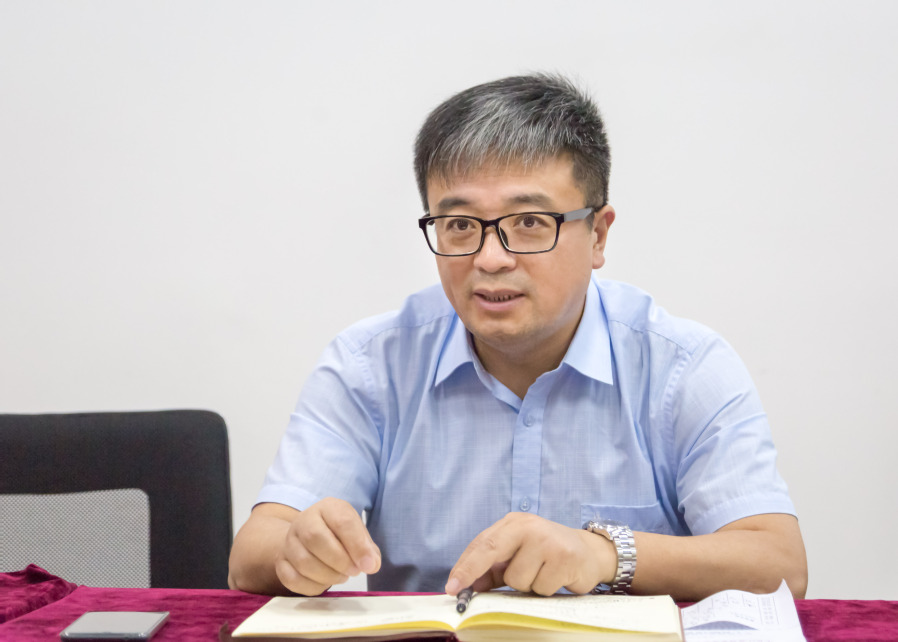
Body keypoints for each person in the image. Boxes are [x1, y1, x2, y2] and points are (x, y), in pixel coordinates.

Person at [228, 73, 808, 602]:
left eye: (529, 222)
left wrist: (605, 554)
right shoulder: (370, 365)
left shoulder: (683, 366)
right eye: (460, 225)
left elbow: (779, 565)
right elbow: (252, 555)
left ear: (598, 235)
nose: (490, 259)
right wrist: (299, 548)